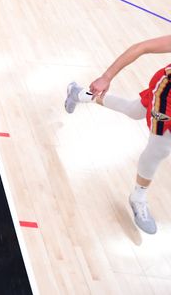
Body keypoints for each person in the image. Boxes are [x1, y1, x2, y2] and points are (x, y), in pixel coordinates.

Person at [65, 35, 171, 234]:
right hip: (167, 96)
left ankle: (79, 94)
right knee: (161, 147)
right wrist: (106, 77)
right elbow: (142, 46)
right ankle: (138, 197)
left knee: (134, 110)